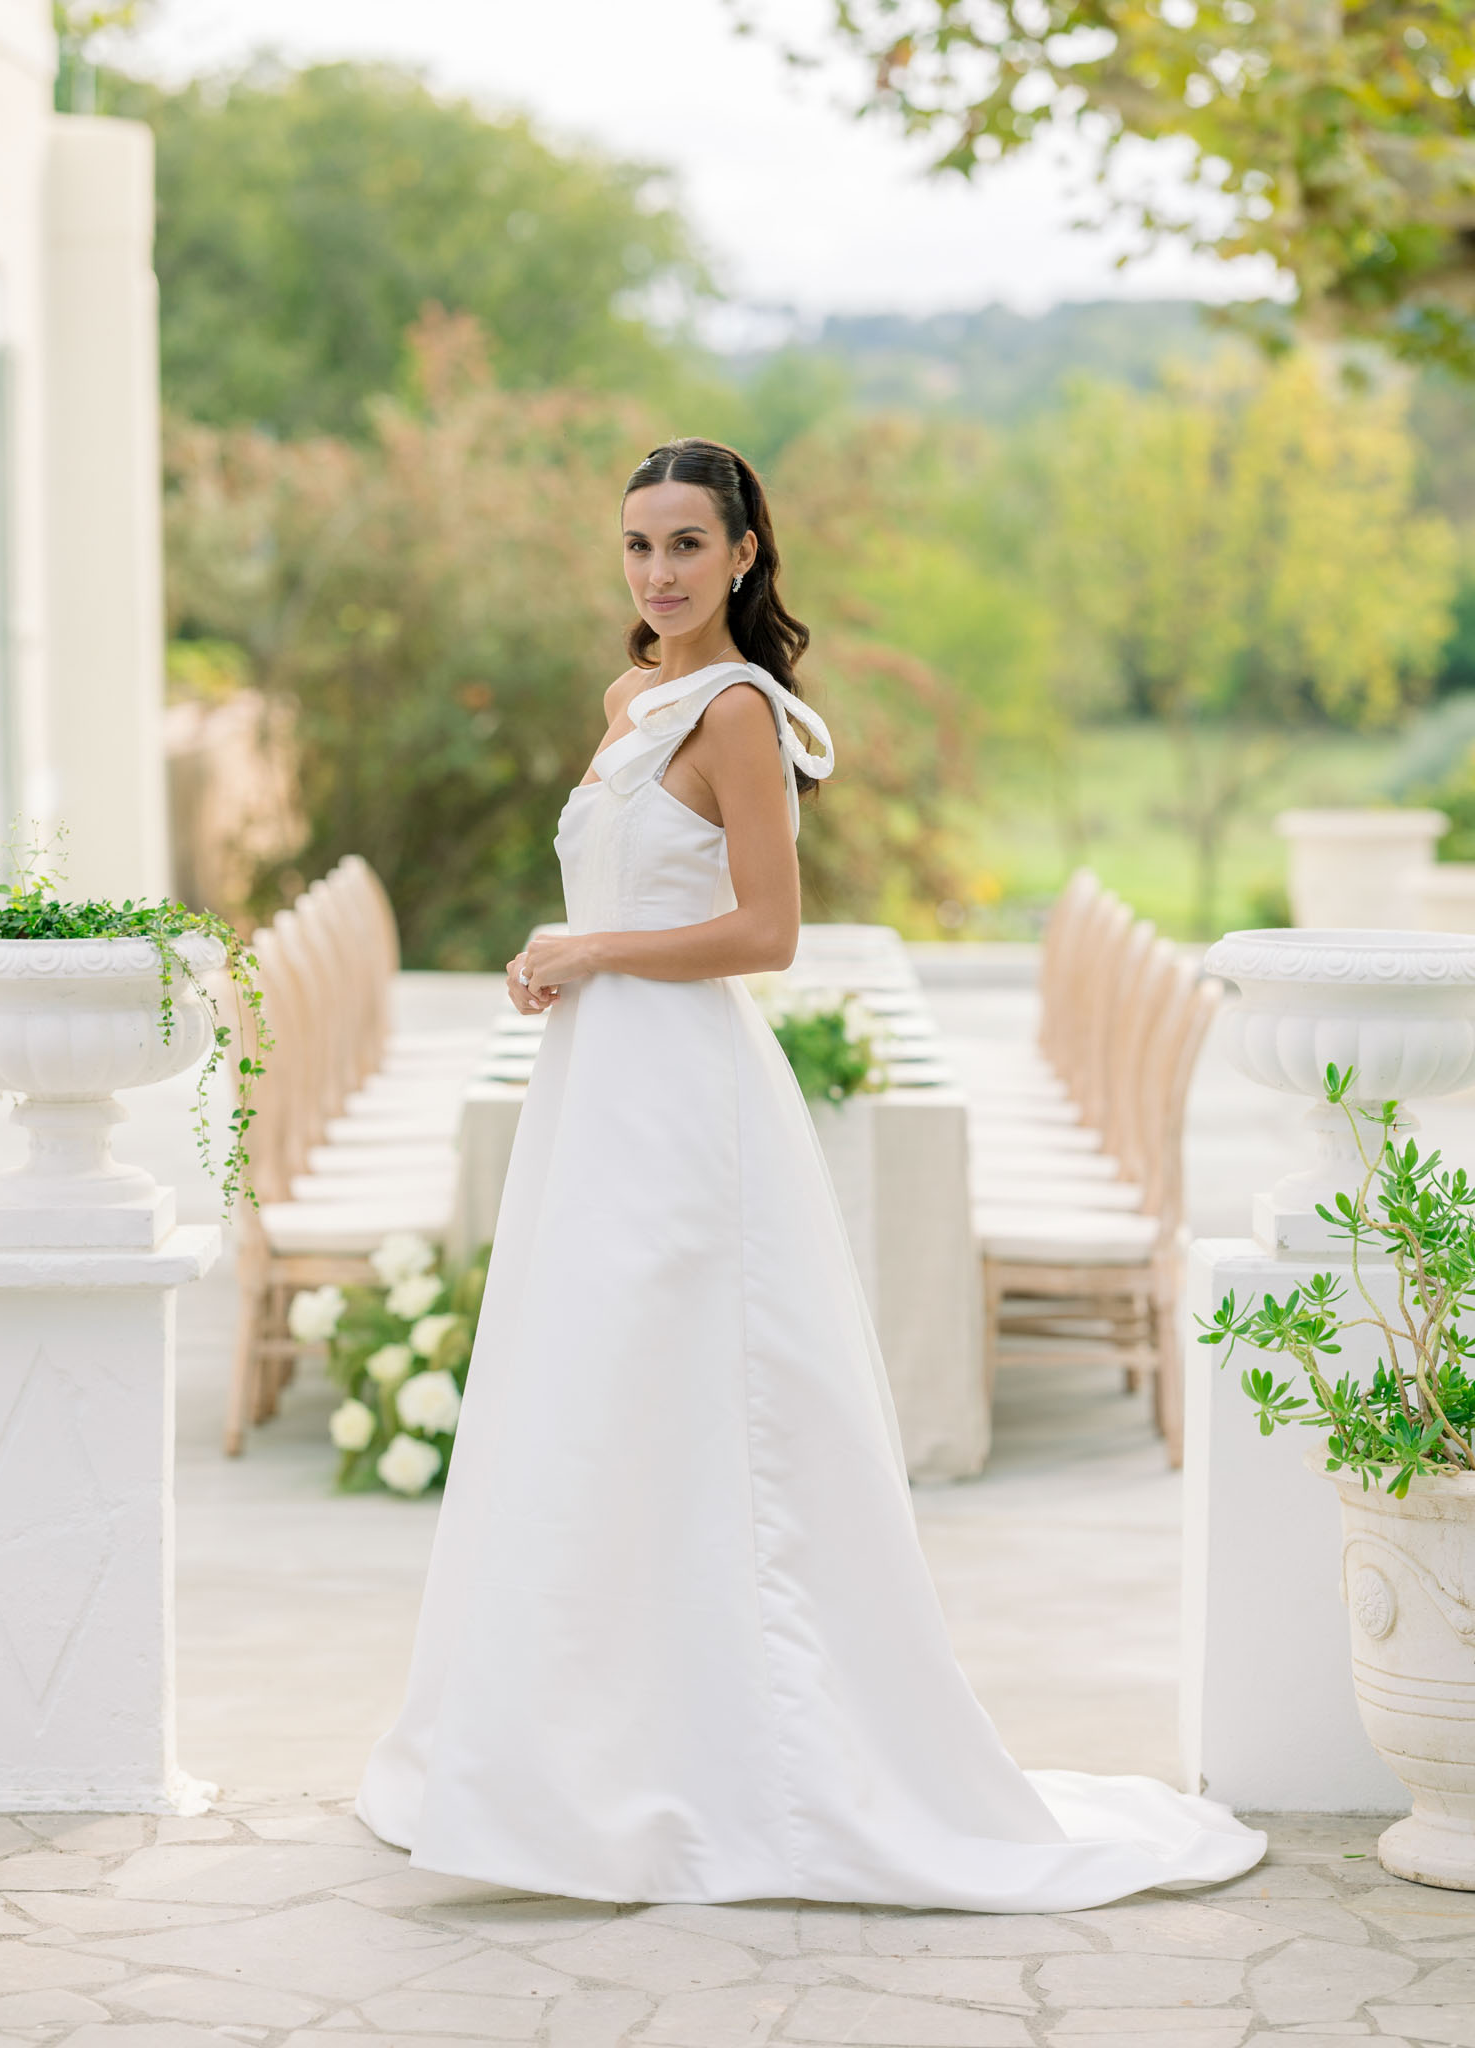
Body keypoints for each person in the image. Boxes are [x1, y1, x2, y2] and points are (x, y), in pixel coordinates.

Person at [355, 436, 1265, 1909]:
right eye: (638, 545)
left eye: (687, 547)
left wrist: (589, 946)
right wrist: (570, 954)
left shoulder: (734, 715)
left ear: (744, 556)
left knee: (690, 1401)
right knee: (591, 1406)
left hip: (685, 1100)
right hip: (599, 1087)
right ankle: (567, 1756)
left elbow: (766, 933)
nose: (658, 572)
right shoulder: (626, 699)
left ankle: (732, 1763)